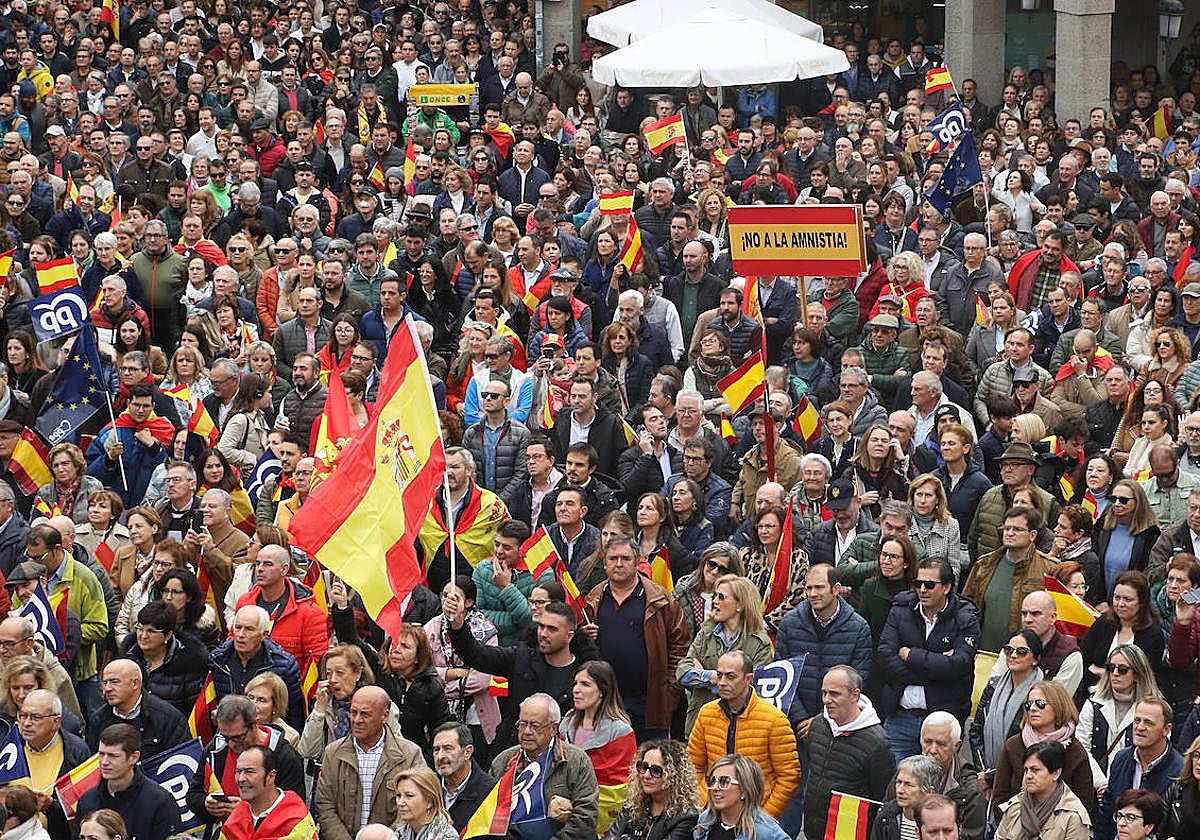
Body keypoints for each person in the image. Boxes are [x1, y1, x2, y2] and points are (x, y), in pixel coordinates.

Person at [583, 535, 687, 742]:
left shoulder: (660, 599)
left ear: (637, 562)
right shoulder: (594, 598)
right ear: (604, 564)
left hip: (647, 703)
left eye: (625, 558)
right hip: (603, 700)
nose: (619, 564)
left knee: (647, 765)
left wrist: (669, 691)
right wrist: (584, 636)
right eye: (612, 559)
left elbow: (680, 646)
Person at [877, 557, 980, 761]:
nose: (922, 589)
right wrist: (937, 668)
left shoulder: (966, 618)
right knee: (898, 786)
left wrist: (910, 655)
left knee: (936, 788)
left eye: (930, 585)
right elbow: (885, 657)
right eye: (918, 584)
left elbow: (960, 665)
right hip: (900, 718)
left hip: (942, 722)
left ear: (947, 587)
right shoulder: (900, 609)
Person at [686, 649, 799, 819]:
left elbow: (789, 776)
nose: (722, 682)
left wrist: (764, 816)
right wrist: (707, 802)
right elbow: (693, 765)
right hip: (713, 813)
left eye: (730, 677)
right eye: (719, 675)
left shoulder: (774, 720)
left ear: (749, 679)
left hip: (756, 814)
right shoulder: (706, 713)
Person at [314, 685, 426, 840]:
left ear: (385, 716)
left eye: (365, 714)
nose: (357, 720)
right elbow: (325, 805)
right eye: (353, 712)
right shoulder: (333, 753)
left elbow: (417, 805)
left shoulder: (410, 755)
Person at [803, 665, 896, 840]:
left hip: (849, 833)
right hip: (813, 829)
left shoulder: (878, 743)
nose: (826, 700)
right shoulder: (817, 725)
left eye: (834, 693)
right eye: (824, 693)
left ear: (855, 695)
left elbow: (883, 797)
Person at [489, 693, 600, 840]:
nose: (527, 731)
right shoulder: (503, 761)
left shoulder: (576, 761)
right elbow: (486, 813)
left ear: (554, 728)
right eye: (522, 724)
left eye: (535, 726)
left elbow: (586, 819)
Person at [676, 574, 773, 733]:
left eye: (721, 597)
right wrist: (713, 677)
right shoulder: (706, 633)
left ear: (740, 605)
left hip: (742, 728)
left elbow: (753, 687)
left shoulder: (759, 643)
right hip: (702, 725)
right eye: (715, 596)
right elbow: (682, 673)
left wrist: (705, 678)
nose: (714, 601)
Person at [989, 680, 1096, 813]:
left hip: (1061, 829)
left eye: (1040, 704)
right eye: (1028, 704)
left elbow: (1084, 803)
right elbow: (1000, 796)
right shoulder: (1014, 745)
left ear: (1058, 707)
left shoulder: (1074, 750)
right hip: (1015, 826)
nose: (1033, 708)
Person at [559, 661, 636, 833]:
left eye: (585, 684)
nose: (576, 690)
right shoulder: (565, 724)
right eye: (575, 683)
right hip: (561, 814)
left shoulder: (621, 732)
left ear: (603, 690)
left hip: (600, 821)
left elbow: (618, 786)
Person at [1097, 697, 1183, 840]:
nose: (1140, 727)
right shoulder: (1121, 759)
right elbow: (1107, 813)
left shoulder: (1180, 772)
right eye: (1137, 720)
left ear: (1166, 730)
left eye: (1148, 723)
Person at [76, 724, 180, 840]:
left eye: (113, 756)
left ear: (134, 757)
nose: (104, 762)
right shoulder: (88, 801)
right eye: (101, 754)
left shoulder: (160, 802)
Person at [208, 605, 304, 730]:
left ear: (264, 635)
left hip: (268, 737)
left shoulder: (284, 665)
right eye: (238, 627)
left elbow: (293, 715)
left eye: (249, 629)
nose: (241, 634)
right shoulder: (217, 660)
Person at [1079, 571, 1166, 697]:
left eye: (1128, 599)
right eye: (1117, 597)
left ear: (1141, 602)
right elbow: (1083, 659)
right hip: (1094, 694)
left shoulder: (1152, 634)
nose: (1120, 604)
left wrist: (1103, 672)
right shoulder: (1103, 623)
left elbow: (1146, 676)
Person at [970, 629, 1045, 772]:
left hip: (1021, 776)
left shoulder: (1043, 695)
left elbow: (1038, 744)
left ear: (1035, 659)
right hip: (985, 773)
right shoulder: (993, 686)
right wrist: (984, 772)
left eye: (1021, 651)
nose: (1013, 655)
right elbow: (976, 730)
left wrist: (993, 777)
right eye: (1009, 650)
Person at [1077, 644, 1160, 773]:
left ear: (1137, 674)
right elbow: (1081, 747)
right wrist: (1100, 783)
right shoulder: (1094, 703)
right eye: (1111, 668)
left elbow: (1156, 752)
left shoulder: (1154, 709)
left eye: (1122, 669)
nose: (1115, 674)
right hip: (1094, 783)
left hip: (1133, 785)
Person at [991, 741, 1092, 840]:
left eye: (1035, 770)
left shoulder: (1072, 816)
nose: (1028, 776)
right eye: (1026, 770)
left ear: (1056, 773)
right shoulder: (1015, 807)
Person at [604, 738, 700, 840]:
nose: (646, 775)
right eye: (643, 767)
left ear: (674, 775)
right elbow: (610, 836)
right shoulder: (633, 804)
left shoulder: (686, 816)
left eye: (655, 771)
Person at [220, 744, 317, 840]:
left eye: (249, 771)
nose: (241, 779)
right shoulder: (236, 819)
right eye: (238, 771)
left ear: (271, 776)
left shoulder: (295, 823)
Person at [916, 714, 988, 840]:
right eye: (927, 742)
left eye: (941, 744)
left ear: (957, 746)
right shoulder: (906, 777)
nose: (932, 750)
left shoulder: (971, 791)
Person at [692, 754, 789, 840]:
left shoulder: (766, 832)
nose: (715, 788)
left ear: (744, 790)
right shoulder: (706, 820)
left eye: (724, 781)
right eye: (712, 781)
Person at [431, 722, 497, 831]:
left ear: (467, 752)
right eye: (436, 750)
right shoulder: (427, 788)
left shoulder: (491, 792)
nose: (440, 756)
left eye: (448, 748)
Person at [871, 756, 943, 840]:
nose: (900, 790)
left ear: (929, 792)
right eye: (899, 782)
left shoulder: (943, 821)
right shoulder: (885, 815)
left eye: (908, 785)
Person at [392, 767, 459, 840]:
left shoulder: (447, 836)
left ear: (429, 801)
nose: (400, 803)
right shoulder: (398, 834)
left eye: (409, 796)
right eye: (398, 795)